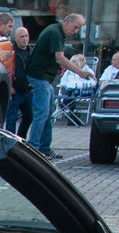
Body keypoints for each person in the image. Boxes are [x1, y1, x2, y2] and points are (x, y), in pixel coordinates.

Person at [27, 12, 93, 159]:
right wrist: (81, 72)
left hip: (45, 77)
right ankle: (34, 148)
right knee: (42, 113)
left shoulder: (56, 32)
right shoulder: (55, 33)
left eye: (78, 28)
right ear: (67, 22)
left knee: (48, 113)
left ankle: (44, 147)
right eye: (75, 27)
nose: (75, 31)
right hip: (39, 76)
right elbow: (60, 58)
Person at [8, 25, 34, 137]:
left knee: (29, 117)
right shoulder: (11, 52)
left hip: (28, 89)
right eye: (21, 36)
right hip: (15, 90)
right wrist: (9, 86)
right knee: (11, 119)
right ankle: (10, 141)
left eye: (26, 36)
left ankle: (20, 139)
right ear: (15, 38)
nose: (24, 39)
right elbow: (6, 70)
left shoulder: (31, 52)